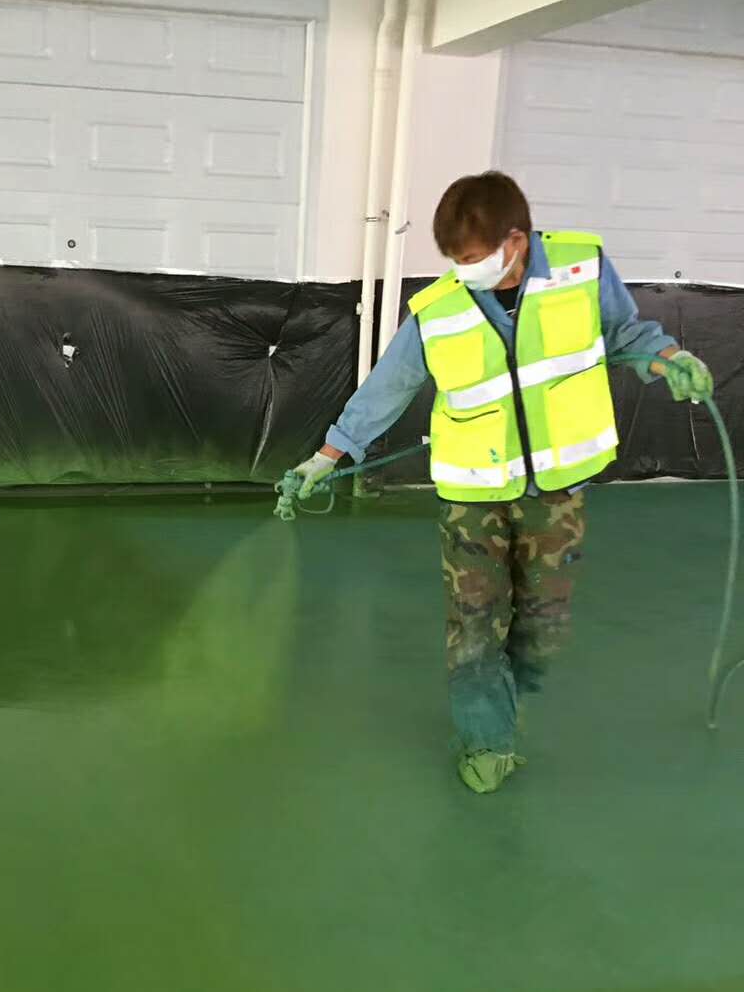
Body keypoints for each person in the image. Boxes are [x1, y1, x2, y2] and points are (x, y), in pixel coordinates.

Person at [294, 171, 713, 794]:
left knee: (541, 623)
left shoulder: (581, 270)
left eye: (472, 258)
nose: (464, 271)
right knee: (474, 622)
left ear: (514, 242)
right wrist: (329, 455)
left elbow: (626, 334)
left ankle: (507, 688)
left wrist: (670, 359)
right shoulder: (439, 310)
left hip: (556, 491)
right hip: (473, 495)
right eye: (455, 261)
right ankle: (487, 739)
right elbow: (390, 385)